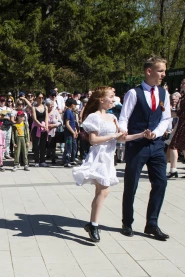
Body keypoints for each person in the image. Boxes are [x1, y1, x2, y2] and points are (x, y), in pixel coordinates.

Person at [73, 87, 145, 242]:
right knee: (104, 191)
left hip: (109, 158)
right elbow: (93, 140)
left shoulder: (112, 117)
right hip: (98, 156)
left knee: (100, 191)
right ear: (101, 100)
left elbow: (121, 138)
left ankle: (92, 224)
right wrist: (113, 135)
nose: (114, 99)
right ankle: (93, 224)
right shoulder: (94, 117)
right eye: (111, 97)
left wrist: (140, 135)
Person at [119, 56, 172, 241]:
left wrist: (156, 133)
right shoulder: (134, 93)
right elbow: (124, 117)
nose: (163, 75)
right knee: (131, 184)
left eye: (164, 71)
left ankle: (152, 223)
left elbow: (166, 118)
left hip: (156, 145)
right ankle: (127, 222)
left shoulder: (163, 93)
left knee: (160, 183)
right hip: (137, 145)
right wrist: (124, 134)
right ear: (149, 71)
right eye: (160, 71)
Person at [28, 93, 48, 167]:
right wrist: (41, 125)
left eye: (42, 98)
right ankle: (36, 160)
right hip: (36, 127)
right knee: (36, 145)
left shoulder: (45, 107)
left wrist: (46, 125)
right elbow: (34, 118)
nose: (41, 99)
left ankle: (42, 160)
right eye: (39, 98)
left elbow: (46, 117)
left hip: (43, 128)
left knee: (43, 144)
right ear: (36, 98)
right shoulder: (34, 108)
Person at [62, 98, 79, 167]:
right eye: (75, 105)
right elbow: (67, 124)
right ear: (72, 105)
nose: (75, 106)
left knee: (74, 146)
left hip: (73, 133)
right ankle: (66, 161)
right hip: (69, 133)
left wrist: (76, 131)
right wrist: (73, 132)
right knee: (68, 147)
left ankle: (72, 159)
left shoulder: (71, 112)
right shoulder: (67, 112)